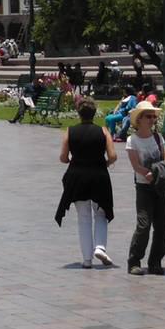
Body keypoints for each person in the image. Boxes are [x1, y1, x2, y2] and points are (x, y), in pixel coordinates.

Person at [55, 98, 116, 268]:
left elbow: (63, 157)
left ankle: (87, 259)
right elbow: (112, 156)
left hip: (77, 176)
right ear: (94, 113)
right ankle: (100, 247)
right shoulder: (103, 131)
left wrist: (70, 159)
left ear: (79, 114)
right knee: (101, 213)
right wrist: (105, 163)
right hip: (98, 175)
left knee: (83, 218)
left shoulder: (70, 131)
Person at [124, 100, 165, 275]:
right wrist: (148, 174)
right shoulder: (132, 140)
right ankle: (134, 261)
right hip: (144, 186)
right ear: (139, 119)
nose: (152, 119)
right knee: (143, 224)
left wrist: (162, 169)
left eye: (153, 116)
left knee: (162, 226)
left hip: (161, 186)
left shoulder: (158, 137)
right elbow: (135, 165)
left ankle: (155, 262)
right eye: (148, 116)